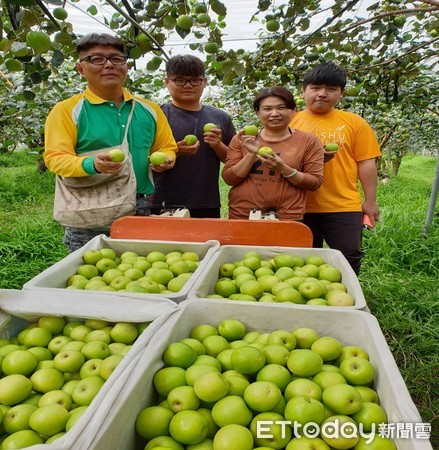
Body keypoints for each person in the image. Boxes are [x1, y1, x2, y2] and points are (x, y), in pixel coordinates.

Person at [44, 33, 178, 252]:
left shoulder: (149, 109)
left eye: (116, 59)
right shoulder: (67, 110)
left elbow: (166, 146)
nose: (109, 65)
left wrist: (167, 158)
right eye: (97, 59)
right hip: (89, 207)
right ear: (81, 69)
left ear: (126, 66)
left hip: (138, 204)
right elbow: (55, 158)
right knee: (87, 272)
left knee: (139, 271)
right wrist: (92, 164)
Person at [290, 62, 381, 274]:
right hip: (298, 204)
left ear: (341, 93)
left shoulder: (354, 123)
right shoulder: (289, 122)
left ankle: (347, 302)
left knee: (348, 257)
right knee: (302, 260)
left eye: (331, 89)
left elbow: (366, 163)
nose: (322, 94)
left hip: (343, 204)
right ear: (303, 91)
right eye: (316, 88)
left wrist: (370, 201)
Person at [151, 55, 236, 218]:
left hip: (205, 201)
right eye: (180, 80)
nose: (188, 86)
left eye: (195, 80)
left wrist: (218, 145)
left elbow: (233, 160)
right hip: (162, 200)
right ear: (167, 82)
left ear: (204, 82)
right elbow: (142, 158)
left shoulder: (220, 117)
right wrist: (174, 151)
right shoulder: (157, 116)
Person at [222, 86, 324, 221]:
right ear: (258, 112)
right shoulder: (243, 139)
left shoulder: (309, 141)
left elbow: (314, 183)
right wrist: (251, 154)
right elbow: (230, 179)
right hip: (244, 214)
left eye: (281, 108)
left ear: (293, 111)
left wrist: (283, 168)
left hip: (289, 215)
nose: (274, 113)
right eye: (267, 109)